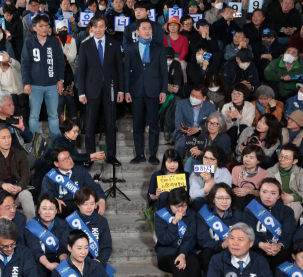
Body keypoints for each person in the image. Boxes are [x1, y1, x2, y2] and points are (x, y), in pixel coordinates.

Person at [77, 15, 124, 166]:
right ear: (91, 29)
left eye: (101, 26)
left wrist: (121, 91)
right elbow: (81, 71)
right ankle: (90, 157)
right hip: (91, 90)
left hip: (110, 90)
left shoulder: (114, 44)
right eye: (95, 27)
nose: (98, 30)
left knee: (111, 124)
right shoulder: (85, 45)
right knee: (90, 125)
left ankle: (111, 156)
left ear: (106, 28)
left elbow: (119, 69)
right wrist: (81, 92)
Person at [154, 187, 204, 277]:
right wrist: (175, 222)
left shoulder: (192, 215)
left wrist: (182, 253)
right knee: (176, 263)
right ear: (170, 205)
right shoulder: (160, 215)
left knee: (193, 260)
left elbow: (191, 237)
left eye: (184, 206)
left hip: (186, 251)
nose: (181, 210)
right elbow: (164, 240)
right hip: (166, 254)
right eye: (177, 206)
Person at [124, 18, 168, 165]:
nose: (148, 31)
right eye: (144, 28)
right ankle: (140, 154)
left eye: (149, 28)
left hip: (154, 89)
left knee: (154, 124)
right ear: (137, 31)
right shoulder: (130, 47)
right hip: (135, 90)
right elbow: (126, 72)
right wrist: (126, 91)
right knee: (137, 124)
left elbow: (164, 71)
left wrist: (163, 90)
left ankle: (153, 154)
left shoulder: (159, 47)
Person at [21, 14, 65, 139]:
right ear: (34, 28)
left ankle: (55, 140)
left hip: (52, 84)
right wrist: (26, 83)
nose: (44, 28)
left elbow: (60, 62)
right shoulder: (29, 42)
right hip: (35, 85)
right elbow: (25, 64)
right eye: (41, 26)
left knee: (54, 115)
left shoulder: (54, 41)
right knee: (34, 115)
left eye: (46, 25)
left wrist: (60, 80)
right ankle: (35, 142)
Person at [24, 193, 70, 277]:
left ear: (56, 211)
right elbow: (35, 250)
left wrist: (63, 264)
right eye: (44, 209)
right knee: (40, 273)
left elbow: (63, 247)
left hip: (58, 257)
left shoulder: (63, 224)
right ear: (38, 210)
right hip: (40, 260)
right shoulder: (31, 226)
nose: (47, 212)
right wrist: (48, 265)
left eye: (51, 209)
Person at [241, 178, 295, 270]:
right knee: (258, 257)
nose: (268, 196)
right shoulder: (250, 209)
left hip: (279, 248)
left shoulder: (287, 211)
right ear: (259, 192)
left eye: (273, 193)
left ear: (279, 196)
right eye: (264, 192)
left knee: (284, 257)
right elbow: (248, 233)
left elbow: (288, 233)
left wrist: (279, 246)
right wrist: (262, 245)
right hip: (257, 247)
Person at [40, 146, 107, 218]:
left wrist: (101, 199)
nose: (69, 161)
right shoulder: (50, 176)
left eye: (69, 157)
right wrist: (53, 200)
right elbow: (45, 194)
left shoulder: (81, 171)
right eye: (64, 159)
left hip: (80, 204)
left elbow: (94, 186)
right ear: (56, 164)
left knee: (94, 206)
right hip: (63, 208)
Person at [0, 124, 34, 219]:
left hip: (17, 189)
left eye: (9, 137)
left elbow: (26, 174)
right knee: (1, 202)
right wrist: (3, 185)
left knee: (26, 195)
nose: (7, 140)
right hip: (0, 191)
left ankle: (32, 229)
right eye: (3, 138)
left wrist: (19, 187)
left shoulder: (20, 154)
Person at [196, 184, 243, 275]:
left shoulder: (238, 214)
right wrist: (221, 244)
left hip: (233, 249)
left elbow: (245, 234)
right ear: (213, 199)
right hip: (212, 250)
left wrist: (232, 242)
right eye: (220, 198)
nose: (224, 202)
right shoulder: (203, 215)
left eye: (227, 198)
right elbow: (203, 240)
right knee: (207, 253)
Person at [0, 94, 34, 165]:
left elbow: (30, 138)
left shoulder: (17, 120)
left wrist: (22, 128)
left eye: (13, 104)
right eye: (9, 105)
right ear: (0, 108)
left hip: (20, 154)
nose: (13, 107)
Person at [266, 144, 303, 222]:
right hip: (276, 199)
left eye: (286, 158)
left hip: (296, 202)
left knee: (294, 205)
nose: (281, 159)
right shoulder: (270, 171)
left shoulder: (301, 172)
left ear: (294, 161)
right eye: (280, 156)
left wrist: (292, 198)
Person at [173, 85, 217, 159]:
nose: (193, 98)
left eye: (196, 97)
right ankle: (178, 168)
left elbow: (212, 124)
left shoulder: (210, 107)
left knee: (196, 151)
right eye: (192, 95)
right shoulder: (181, 104)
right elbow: (178, 121)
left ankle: (193, 168)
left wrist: (199, 128)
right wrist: (183, 128)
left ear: (204, 98)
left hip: (201, 133)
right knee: (179, 146)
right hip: (185, 133)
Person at [231, 145, 270, 210]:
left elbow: (265, 194)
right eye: (246, 156)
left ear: (258, 161)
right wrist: (235, 190)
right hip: (238, 200)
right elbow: (232, 188)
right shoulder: (236, 169)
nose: (247, 160)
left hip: (255, 201)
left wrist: (250, 191)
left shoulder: (264, 174)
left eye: (251, 158)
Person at [221, 83, 256, 150]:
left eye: (238, 94)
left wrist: (240, 118)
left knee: (243, 126)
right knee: (234, 129)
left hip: (244, 133)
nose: (235, 96)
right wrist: (228, 120)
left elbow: (248, 125)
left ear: (244, 96)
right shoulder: (226, 106)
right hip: (230, 133)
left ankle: (238, 149)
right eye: (233, 93)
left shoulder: (250, 106)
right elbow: (223, 128)